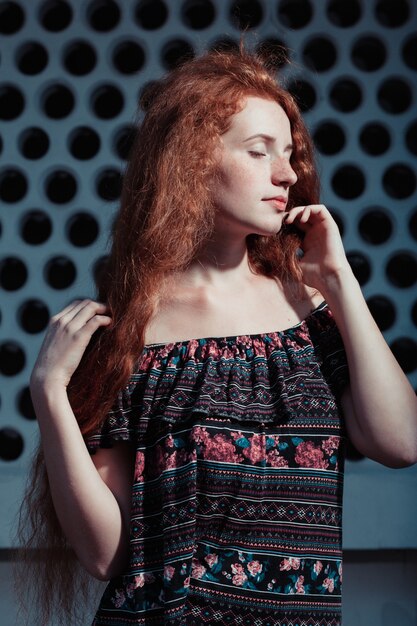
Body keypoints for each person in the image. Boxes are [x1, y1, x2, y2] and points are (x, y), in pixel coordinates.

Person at [17, 46, 417, 626]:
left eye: (290, 154)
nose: (286, 174)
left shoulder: (311, 312)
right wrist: (50, 394)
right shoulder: (132, 333)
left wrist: (338, 279)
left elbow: (401, 443)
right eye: (260, 152)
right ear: (193, 160)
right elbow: (106, 556)